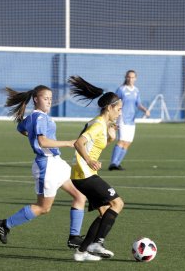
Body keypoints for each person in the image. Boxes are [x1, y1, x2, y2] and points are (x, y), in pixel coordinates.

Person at [0, 85, 86, 249]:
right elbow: (43, 142)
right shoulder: (39, 118)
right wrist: (68, 143)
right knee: (44, 208)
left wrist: (32, 137)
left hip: (56, 163)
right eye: (46, 98)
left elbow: (20, 128)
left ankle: (74, 237)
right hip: (47, 166)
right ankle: (5, 224)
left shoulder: (34, 117)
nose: (49, 101)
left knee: (80, 196)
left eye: (51, 98)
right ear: (36, 99)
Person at [67, 75, 125, 262]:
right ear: (109, 108)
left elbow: (95, 146)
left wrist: (110, 139)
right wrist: (90, 161)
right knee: (117, 204)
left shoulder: (101, 124)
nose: (120, 112)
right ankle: (97, 243)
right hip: (85, 174)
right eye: (119, 109)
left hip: (81, 174)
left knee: (104, 212)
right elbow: (79, 142)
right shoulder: (98, 125)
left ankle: (82, 252)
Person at [108, 70, 150, 171]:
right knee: (121, 140)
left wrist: (145, 110)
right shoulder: (121, 89)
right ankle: (113, 163)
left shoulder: (136, 90)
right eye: (128, 77)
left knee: (128, 142)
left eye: (132, 77)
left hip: (131, 119)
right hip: (122, 118)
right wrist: (114, 116)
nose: (130, 79)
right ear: (125, 77)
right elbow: (114, 103)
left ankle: (117, 164)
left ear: (135, 78)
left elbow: (138, 103)